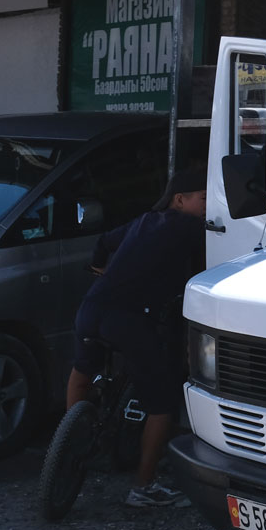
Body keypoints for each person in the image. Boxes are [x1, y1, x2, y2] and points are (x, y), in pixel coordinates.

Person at [66, 167, 209, 507]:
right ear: (180, 199)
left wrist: (103, 272)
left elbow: (102, 244)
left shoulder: (144, 220)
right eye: (203, 198)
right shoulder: (190, 227)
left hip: (91, 308)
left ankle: (69, 445)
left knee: (82, 372)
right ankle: (143, 487)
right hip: (127, 320)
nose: (208, 206)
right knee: (163, 403)